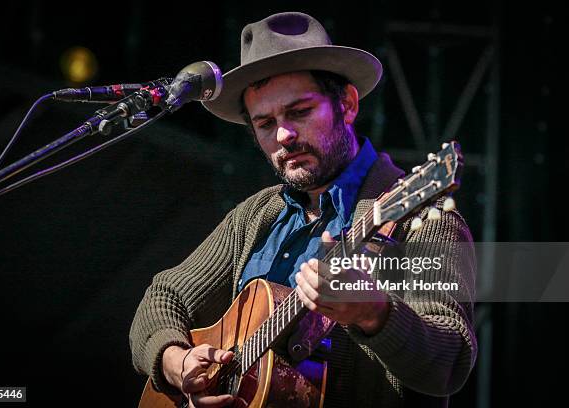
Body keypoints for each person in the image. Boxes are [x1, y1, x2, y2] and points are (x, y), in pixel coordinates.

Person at [130, 11, 477, 408]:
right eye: (265, 123)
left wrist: (374, 313)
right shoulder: (255, 216)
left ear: (346, 104)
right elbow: (163, 296)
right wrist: (178, 361)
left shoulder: (421, 219)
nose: (283, 135)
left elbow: (451, 362)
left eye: (299, 112)